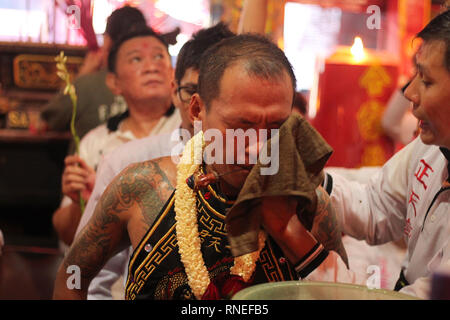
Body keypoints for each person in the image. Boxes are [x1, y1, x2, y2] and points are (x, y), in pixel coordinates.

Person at [53, 34, 348, 300]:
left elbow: (347, 296)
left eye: (276, 127)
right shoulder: (142, 187)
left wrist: (291, 233)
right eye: (241, 125)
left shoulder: (310, 205)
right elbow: (72, 279)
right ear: (197, 110)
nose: (258, 146)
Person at [73, 23, 235, 300]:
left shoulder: (259, 160)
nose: (203, 109)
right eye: (193, 92)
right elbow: (83, 275)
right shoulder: (128, 161)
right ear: (175, 90)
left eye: (219, 94)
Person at [325, 10, 450, 298]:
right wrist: (307, 183)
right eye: (414, 75)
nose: (410, 94)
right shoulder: (430, 146)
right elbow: (376, 204)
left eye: (427, 81)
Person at [52, 26, 180, 247]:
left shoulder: (191, 129)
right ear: (114, 83)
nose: (151, 67)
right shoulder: (96, 141)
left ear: (173, 73)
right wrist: (78, 201)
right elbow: (68, 237)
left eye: (159, 56)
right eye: (136, 59)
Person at [39, 6, 148, 153]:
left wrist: (82, 76)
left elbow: (41, 125)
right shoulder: (156, 86)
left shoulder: (86, 85)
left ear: (107, 41)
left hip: (86, 173)